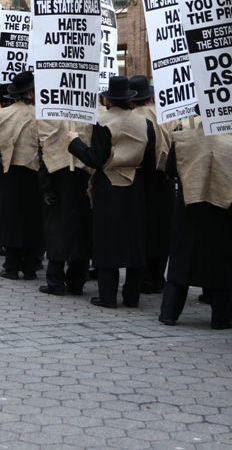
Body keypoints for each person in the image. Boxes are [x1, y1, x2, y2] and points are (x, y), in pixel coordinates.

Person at [69, 76, 155, 308]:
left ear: (108, 99)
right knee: (135, 240)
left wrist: (75, 143)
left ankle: (107, 296)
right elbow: (150, 161)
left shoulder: (103, 122)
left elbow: (96, 160)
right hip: (135, 184)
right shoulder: (144, 123)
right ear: (130, 99)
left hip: (108, 185)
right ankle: (132, 296)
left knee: (107, 241)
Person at [159, 118, 232, 330]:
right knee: (219, 263)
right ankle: (221, 317)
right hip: (221, 210)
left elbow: (170, 170)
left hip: (188, 206)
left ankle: (169, 312)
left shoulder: (183, 139)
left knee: (182, 259)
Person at [0, 71, 41, 280]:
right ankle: (31, 266)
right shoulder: (43, 115)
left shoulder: (1, 115)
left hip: (10, 173)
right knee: (33, 219)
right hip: (35, 173)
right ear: (32, 92)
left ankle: (12, 265)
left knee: (12, 219)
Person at [37, 115, 92, 296]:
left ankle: (56, 281)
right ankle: (76, 282)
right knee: (80, 231)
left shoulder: (49, 117)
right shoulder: (92, 115)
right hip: (83, 178)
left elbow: (44, 151)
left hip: (57, 178)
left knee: (57, 230)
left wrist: (45, 186)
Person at [130, 75, 172, 295]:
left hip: (142, 176)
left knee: (144, 228)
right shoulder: (165, 115)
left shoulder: (134, 117)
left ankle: (146, 277)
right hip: (165, 177)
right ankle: (158, 276)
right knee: (161, 229)